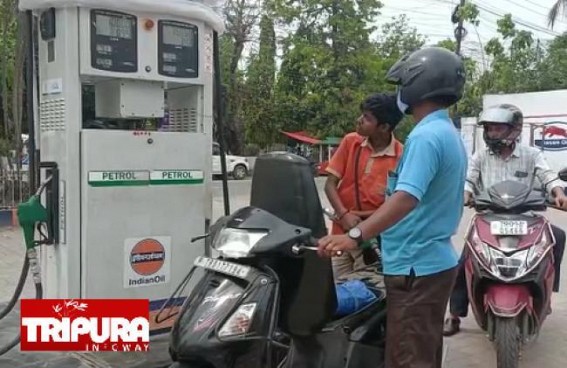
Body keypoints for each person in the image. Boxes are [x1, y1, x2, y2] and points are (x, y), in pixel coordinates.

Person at [317, 46, 467, 368]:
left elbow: (405, 198)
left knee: (407, 358)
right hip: (427, 263)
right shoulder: (446, 131)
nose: (399, 92)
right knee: (421, 352)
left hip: (416, 267)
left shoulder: (425, 137)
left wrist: (354, 235)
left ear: (418, 85)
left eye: (403, 84)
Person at [443, 103, 567, 336]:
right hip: (489, 217)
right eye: (489, 129)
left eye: (498, 128)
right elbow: (469, 181)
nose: (492, 134)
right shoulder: (480, 156)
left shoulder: (532, 155)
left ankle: (546, 293)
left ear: (514, 130)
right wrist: (465, 195)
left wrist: (558, 193)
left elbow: (548, 177)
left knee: (557, 237)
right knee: (465, 261)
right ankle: (455, 315)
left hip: (526, 217)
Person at [324, 93, 403, 279]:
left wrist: (359, 218)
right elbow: (329, 185)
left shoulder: (401, 156)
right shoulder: (351, 142)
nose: (359, 120)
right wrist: (344, 215)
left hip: (372, 242)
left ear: (384, 127)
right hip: (340, 235)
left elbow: (396, 207)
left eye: (367, 118)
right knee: (334, 296)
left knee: (365, 295)